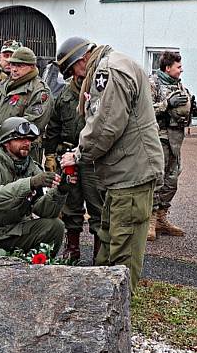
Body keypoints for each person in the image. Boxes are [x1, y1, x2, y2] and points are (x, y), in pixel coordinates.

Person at [60, 42, 163, 292]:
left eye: (74, 70)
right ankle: (105, 300)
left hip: (130, 174)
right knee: (110, 238)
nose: (77, 77)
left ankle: (119, 307)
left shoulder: (109, 71)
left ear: (82, 59)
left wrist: (79, 154)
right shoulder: (115, 64)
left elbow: (106, 126)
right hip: (123, 172)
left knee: (123, 247)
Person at [0, 117, 68, 255]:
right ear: (6, 142)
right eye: (20, 139)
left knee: (55, 226)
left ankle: (38, 270)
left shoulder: (33, 168)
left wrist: (60, 191)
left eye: (30, 139)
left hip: (17, 231)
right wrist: (29, 183)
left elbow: (43, 211)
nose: (27, 143)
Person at [44, 37, 104, 263]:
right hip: (68, 158)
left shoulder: (101, 90)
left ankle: (100, 254)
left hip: (93, 159)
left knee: (97, 207)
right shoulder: (64, 96)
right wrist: (50, 156)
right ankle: (73, 249)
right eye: (75, 66)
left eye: (81, 62)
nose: (81, 67)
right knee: (71, 205)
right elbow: (54, 128)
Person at [148, 51, 197, 241]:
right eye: (178, 67)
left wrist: (192, 108)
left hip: (176, 139)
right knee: (157, 179)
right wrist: (167, 104)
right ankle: (150, 221)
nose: (181, 70)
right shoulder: (153, 83)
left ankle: (162, 217)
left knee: (172, 180)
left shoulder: (178, 85)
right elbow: (144, 110)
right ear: (167, 67)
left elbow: (185, 111)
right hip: (159, 138)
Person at [0, 46, 52, 163]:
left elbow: (30, 124)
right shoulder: (2, 86)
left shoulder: (39, 91)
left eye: (20, 65)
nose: (14, 69)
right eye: (13, 65)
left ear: (32, 67)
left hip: (21, 155)